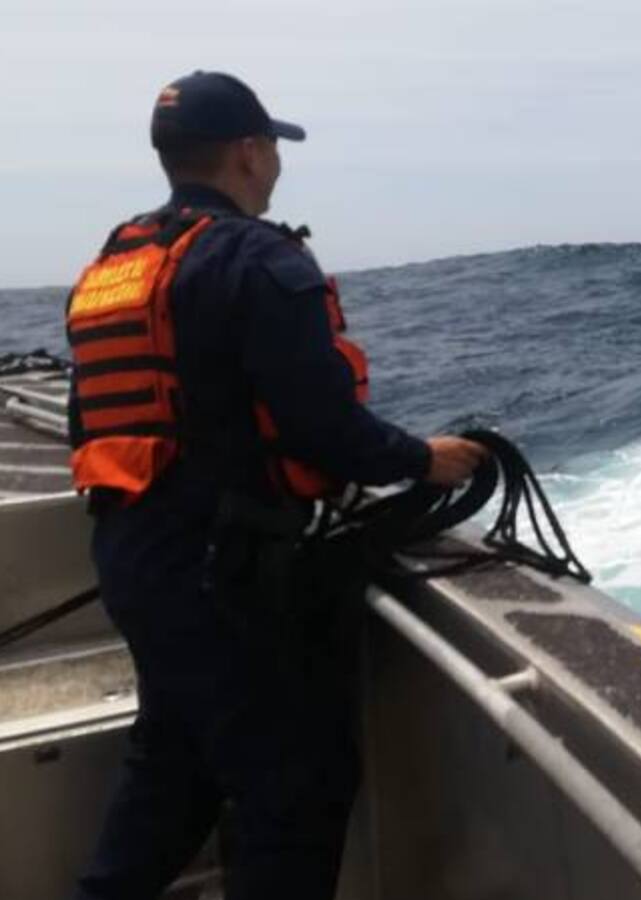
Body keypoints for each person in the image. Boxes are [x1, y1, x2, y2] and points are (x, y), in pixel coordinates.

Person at [66, 71, 489, 899]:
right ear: (250, 154)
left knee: (175, 766)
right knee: (294, 792)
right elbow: (320, 425)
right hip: (228, 577)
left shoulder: (115, 263)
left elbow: (93, 426)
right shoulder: (258, 258)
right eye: (272, 151)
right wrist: (422, 460)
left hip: (133, 559)